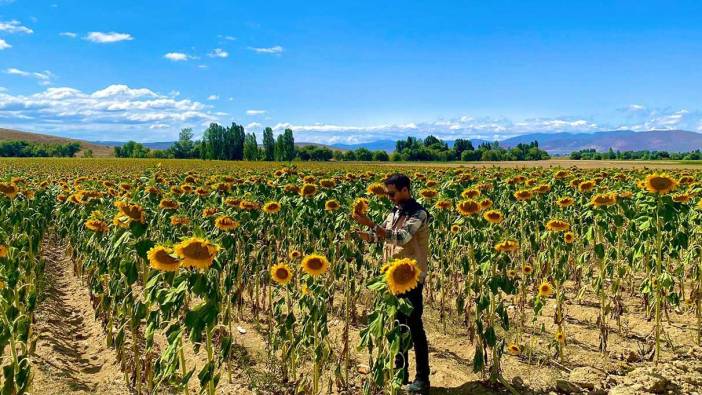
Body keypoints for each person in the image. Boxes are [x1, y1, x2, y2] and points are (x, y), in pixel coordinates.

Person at [352, 173, 431, 394]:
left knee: (414, 326)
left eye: (392, 193)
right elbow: (383, 237)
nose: (389, 198)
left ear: (405, 190)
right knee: (397, 325)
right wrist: (366, 234)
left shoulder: (419, 213)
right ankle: (400, 372)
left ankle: (422, 378)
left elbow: (401, 237)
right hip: (393, 276)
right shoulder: (396, 212)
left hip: (412, 276)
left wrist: (372, 224)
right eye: (388, 194)